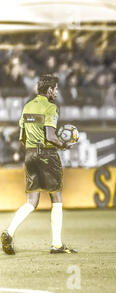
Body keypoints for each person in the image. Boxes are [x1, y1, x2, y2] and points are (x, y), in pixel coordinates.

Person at [1, 74, 77, 255]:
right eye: (56, 89)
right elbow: (51, 136)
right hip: (47, 155)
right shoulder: (50, 107)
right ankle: (56, 244)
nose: (56, 92)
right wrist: (64, 145)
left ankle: (9, 232)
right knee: (56, 198)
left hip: (29, 154)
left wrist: (33, 150)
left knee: (31, 201)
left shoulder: (27, 107)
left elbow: (22, 137)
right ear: (50, 90)